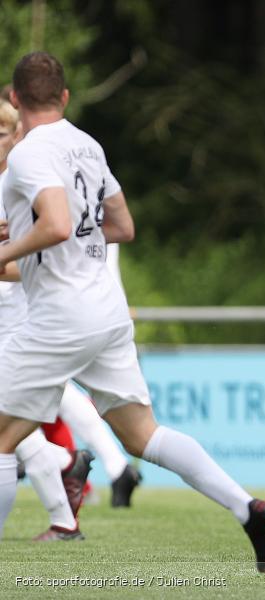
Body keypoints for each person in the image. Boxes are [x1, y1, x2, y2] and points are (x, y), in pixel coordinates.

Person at [0, 52, 265, 571]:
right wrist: (33, 240)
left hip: (59, 316)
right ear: (64, 97)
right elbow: (122, 227)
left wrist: (10, 247)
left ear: (15, 99)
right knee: (143, 436)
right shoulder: (87, 145)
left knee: (0, 439)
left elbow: (58, 224)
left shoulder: (26, 152)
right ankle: (249, 509)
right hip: (105, 313)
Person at [1, 97, 94, 540]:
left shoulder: (25, 182)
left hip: (18, 317)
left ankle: (64, 497)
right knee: (11, 430)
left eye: (3, 131)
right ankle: (63, 501)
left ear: (17, 133)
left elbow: (44, 255)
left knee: (8, 428)